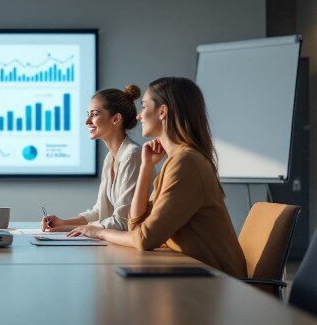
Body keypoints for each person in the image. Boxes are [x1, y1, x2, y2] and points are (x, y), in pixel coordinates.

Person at [68, 77, 246, 278]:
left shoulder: (186, 162)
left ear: (162, 112)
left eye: (144, 107)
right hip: (195, 273)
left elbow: (144, 239)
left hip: (216, 281)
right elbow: (137, 225)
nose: (138, 116)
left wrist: (98, 232)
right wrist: (146, 167)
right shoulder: (177, 160)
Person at [41, 85, 142, 232]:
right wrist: (62, 223)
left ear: (115, 119)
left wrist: (72, 228)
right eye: (88, 114)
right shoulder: (110, 158)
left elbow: (123, 222)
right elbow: (100, 213)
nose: (87, 121)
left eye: (94, 114)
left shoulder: (132, 155)